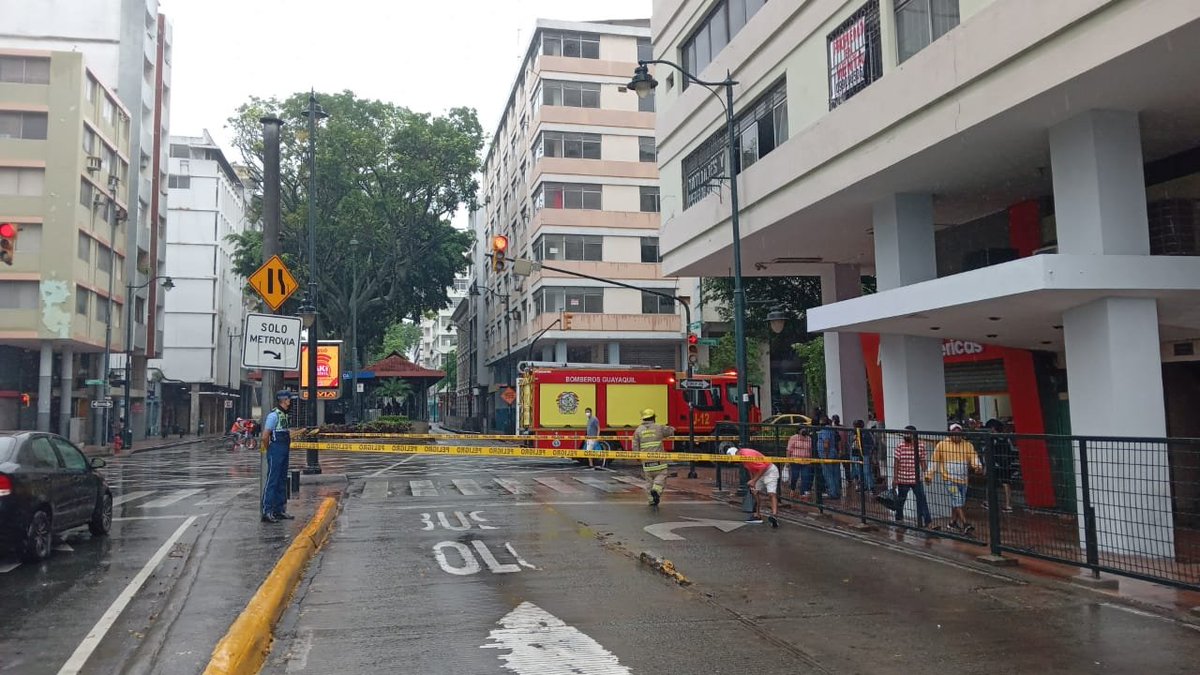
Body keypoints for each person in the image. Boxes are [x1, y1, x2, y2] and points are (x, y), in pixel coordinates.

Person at [927, 423, 982, 533]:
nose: (957, 436)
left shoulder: (967, 445)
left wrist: (978, 467)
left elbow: (974, 456)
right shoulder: (942, 445)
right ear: (950, 434)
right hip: (949, 480)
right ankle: (965, 524)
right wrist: (929, 475)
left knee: (958, 502)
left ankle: (952, 522)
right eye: (954, 433)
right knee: (957, 499)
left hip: (963, 480)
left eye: (959, 433)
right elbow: (934, 461)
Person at [260, 390, 296, 523]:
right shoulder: (273, 415)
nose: (290, 401)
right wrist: (270, 449)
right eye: (288, 399)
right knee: (272, 480)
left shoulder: (284, 415)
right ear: (283, 400)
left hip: (284, 449)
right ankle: (267, 511)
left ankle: (279, 510)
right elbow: (265, 436)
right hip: (276, 450)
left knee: (282, 480)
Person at [728, 447, 779, 527]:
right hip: (759, 473)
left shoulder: (747, 455)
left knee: (771, 494)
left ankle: (774, 515)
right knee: (755, 492)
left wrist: (754, 480)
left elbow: (763, 467)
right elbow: (751, 469)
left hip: (769, 471)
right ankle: (757, 515)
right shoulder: (743, 459)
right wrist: (753, 481)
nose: (735, 462)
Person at [633, 408, 675, 506]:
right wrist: (672, 428)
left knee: (649, 481)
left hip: (646, 461)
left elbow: (635, 446)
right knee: (661, 476)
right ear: (653, 418)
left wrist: (637, 457)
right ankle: (656, 490)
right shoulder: (658, 427)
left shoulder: (638, 430)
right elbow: (669, 431)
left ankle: (651, 500)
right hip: (659, 460)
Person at [892, 426, 932, 528]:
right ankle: (899, 517)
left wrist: (926, 474)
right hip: (902, 478)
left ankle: (926, 521)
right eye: (905, 433)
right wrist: (895, 478)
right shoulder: (900, 446)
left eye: (909, 433)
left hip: (916, 478)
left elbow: (923, 461)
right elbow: (896, 462)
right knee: (901, 499)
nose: (906, 435)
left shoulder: (920, 446)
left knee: (921, 499)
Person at [984, 418, 1017, 512]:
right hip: (1006, 464)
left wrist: (986, 466)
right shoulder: (1006, 437)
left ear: (992, 428)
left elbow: (988, 453)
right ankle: (1008, 505)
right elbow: (1012, 450)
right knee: (1006, 483)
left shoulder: (991, 438)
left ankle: (989, 502)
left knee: (990, 483)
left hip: (995, 464)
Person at [814, 418, 842, 499]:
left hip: (827, 455)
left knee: (828, 475)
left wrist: (825, 456)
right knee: (835, 474)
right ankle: (836, 492)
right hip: (834, 453)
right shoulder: (832, 430)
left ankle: (832, 493)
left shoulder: (825, 430)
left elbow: (826, 443)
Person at [851, 419, 877, 494]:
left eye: (856, 425)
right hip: (855, 453)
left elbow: (871, 443)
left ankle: (871, 487)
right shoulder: (852, 433)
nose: (855, 427)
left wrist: (869, 452)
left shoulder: (866, 433)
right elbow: (850, 443)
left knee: (866, 471)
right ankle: (864, 486)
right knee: (859, 471)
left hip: (865, 454)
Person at [786, 428, 814, 498]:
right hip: (795, 461)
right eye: (802, 429)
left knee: (805, 477)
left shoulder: (809, 439)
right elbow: (789, 450)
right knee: (795, 476)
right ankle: (792, 489)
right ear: (799, 430)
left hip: (806, 461)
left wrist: (810, 460)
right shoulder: (793, 438)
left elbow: (810, 450)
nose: (804, 430)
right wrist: (787, 461)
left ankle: (803, 493)